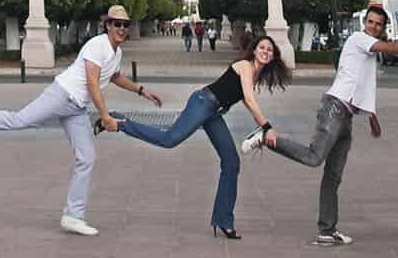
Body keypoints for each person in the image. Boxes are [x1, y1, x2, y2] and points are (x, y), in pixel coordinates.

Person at [0, 1, 159, 236]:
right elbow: (93, 82)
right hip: (62, 94)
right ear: (107, 26)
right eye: (117, 24)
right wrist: (104, 116)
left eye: (125, 24)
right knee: (19, 120)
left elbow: (114, 76)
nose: (122, 28)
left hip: (76, 107)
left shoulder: (116, 52)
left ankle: (73, 216)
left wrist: (140, 89)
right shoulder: (98, 45)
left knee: (87, 157)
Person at [247, 3, 398, 244]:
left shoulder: (369, 53)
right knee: (314, 157)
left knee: (333, 176)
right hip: (334, 109)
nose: (373, 26)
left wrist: (372, 117)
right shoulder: (358, 39)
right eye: (370, 22)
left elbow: (362, 84)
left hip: (346, 116)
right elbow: (390, 47)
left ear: (383, 28)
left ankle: (327, 231)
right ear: (365, 24)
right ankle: (266, 139)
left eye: (378, 24)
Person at [118, 26, 288, 238]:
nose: (265, 51)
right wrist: (267, 127)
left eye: (269, 50)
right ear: (254, 50)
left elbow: (245, 100)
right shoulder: (245, 66)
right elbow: (251, 100)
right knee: (169, 139)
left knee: (231, 162)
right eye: (262, 47)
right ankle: (121, 122)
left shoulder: (253, 74)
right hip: (203, 103)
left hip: (214, 113)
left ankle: (223, 219)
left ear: (273, 57)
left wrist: (260, 126)